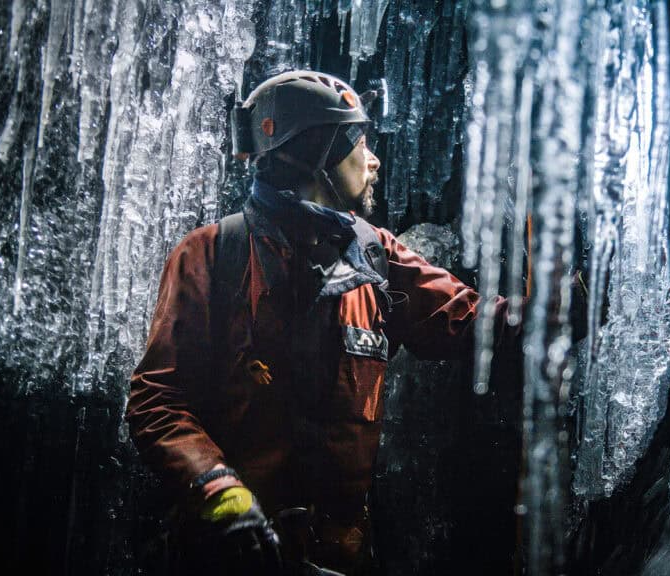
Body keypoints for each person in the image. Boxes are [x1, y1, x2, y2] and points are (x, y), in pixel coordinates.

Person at [126, 70, 584, 575]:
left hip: (339, 558)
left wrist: (577, 303)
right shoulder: (213, 255)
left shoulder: (374, 254)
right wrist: (222, 494)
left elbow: (473, 324)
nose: (373, 159)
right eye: (359, 143)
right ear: (317, 154)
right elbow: (157, 400)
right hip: (234, 555)